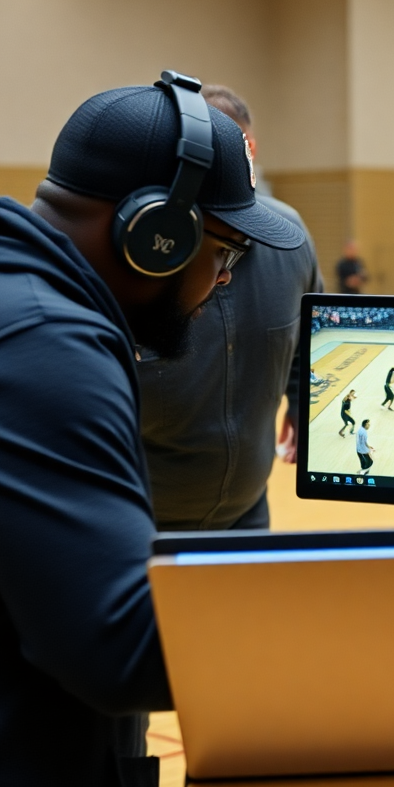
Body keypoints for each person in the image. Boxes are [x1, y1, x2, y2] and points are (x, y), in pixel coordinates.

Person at [0, 73, 306, 787]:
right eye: (223, 252)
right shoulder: (36, 346)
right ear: (156, 234)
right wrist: (375, 616)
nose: (223, 280)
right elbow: (125, 649)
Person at [136, 84, 323, 531]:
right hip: (140, 523)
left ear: (249, 151)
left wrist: (302, 403)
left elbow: (307, 337)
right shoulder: (135, 263)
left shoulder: (291, 238)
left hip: (247, 514)